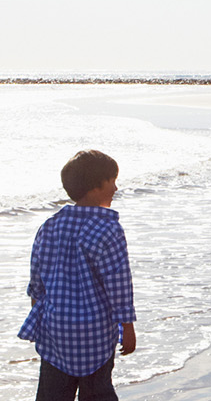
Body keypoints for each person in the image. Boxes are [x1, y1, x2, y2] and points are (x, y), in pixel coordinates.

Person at [20, 150, 137, 401]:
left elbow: (37, 278)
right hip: (94, 333)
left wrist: (38, 314)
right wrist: (127, 327)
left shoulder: (51, 225)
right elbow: (119, 284)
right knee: (97, 392)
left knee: (52, 393)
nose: (116, 187)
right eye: (112, 181)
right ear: (96, 188)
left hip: (56, 330)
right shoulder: (108, 228)